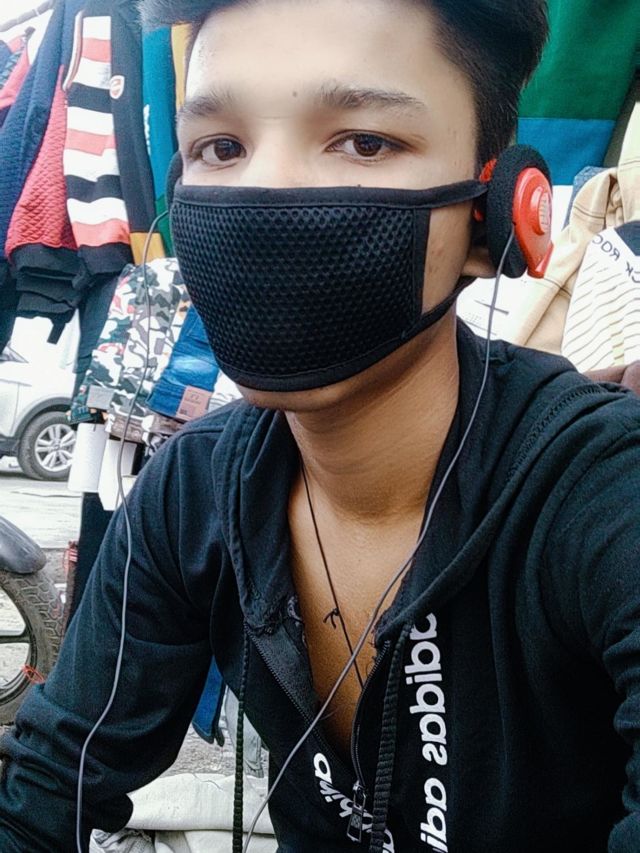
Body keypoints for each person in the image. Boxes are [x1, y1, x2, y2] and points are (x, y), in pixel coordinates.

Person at [1, 1, 639, 851]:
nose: (264, 191)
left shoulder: (603, 493)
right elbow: (56, 777)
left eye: (364, 141)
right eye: (220, 148)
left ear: (497, 213)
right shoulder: (193, 492)